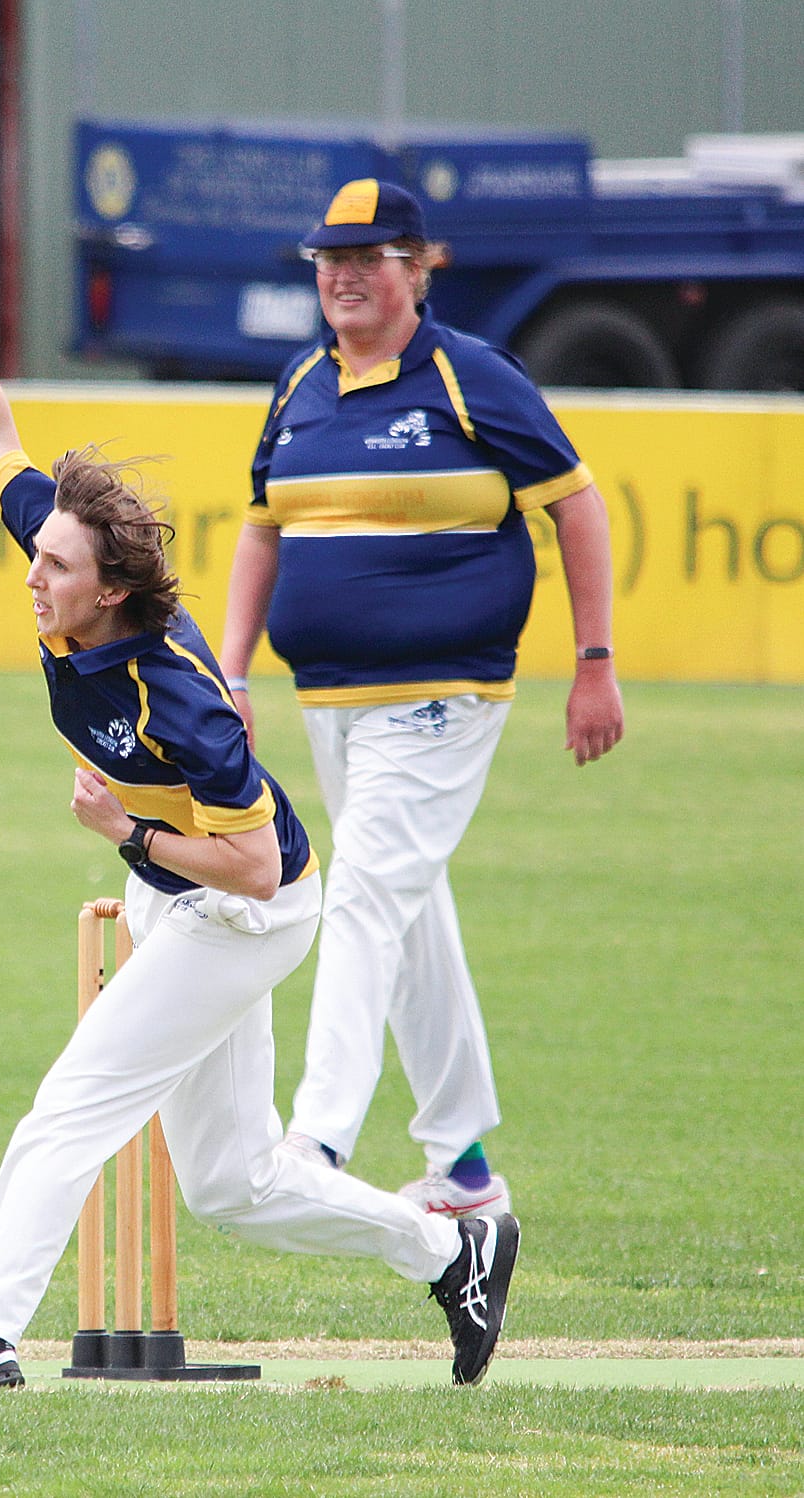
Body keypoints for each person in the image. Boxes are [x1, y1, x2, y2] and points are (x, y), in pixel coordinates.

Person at [0, 192, 520, 1393]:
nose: (35, 579)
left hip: (249, 904)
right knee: (233, 1182)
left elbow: (261, 869)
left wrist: (130, 833)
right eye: (38, 555)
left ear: (110, 589)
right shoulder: (64, 564)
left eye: (55, 567)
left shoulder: (187, 702)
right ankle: (453, 1249)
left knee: (69, 1107)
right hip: (184, 888)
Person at [220, 178, 625, 1218]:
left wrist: (594, 660)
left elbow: (577, 506)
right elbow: (263, 525)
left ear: (418, 267)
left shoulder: (469, 376)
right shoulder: (300, 383)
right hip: (329, 698)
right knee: (409, 909)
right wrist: (231, 667)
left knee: (363, 894)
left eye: (369, 258)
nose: (344, 277)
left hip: (445, 693)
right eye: (329, 261)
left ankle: (319, 1134)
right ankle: (466, 1164)